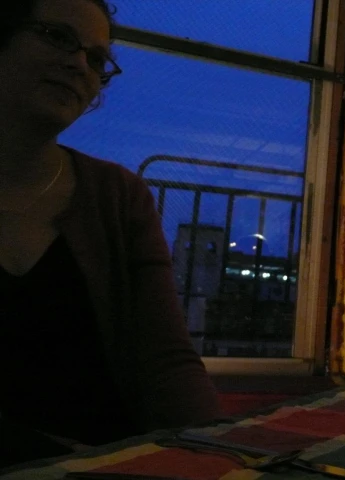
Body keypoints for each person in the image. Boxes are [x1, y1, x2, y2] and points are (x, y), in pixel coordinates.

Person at [0, 0, 220, 465]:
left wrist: (210, 458)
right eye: (57, 36)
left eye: (96, 58)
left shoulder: (118, 196)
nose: (79, 63)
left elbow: (166, 362)